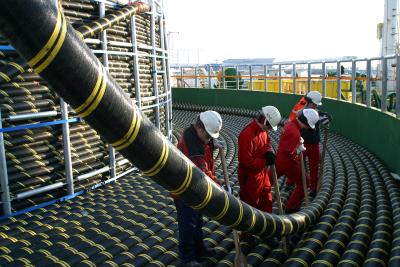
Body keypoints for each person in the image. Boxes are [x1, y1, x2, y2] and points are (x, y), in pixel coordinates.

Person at [174, 110, 222, 267]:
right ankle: (188, 258)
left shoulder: (196, 134)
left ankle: (200, 250)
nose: (209, 139)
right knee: (188, 224)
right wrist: (219, 187)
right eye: (208, 136)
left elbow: (205, 144)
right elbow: (202, 174)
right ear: (200, 129)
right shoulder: (192, 144)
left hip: (195, 189)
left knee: (197, 221)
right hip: (185, 191)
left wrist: (211, 144)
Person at [238, 106, 282, 214]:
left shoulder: (263, 131)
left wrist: (269, 151)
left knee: (267, 200)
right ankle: (247, 230)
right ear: (265, 121)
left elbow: (267, 143)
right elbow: (246, 161)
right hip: (250, 178)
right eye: (270, 127)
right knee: (250, 207)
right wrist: (264, 162)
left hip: (262, 173)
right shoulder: (247, 134)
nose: (270, 130)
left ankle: (266, 226)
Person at [275, 108, 319, 213]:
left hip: (280, 158)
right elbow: (288, 152)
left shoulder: (291, 125)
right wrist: (297, 150)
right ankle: (291, 208)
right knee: (305, 181)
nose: (308, 128)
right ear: (306, 122)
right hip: (287, 162)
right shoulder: (294, 132)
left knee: (268, 180)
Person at [288, 91, 331, 196]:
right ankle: (291, 183)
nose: (315, 106)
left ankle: (313, 188)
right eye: (314, 104)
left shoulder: (316, 112)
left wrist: (326, 118)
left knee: (314, 166)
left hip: (314, 144)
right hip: (302, 144)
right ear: (308, 102)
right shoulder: (300, 112)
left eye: (316, 104)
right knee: (296, 164)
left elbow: (324, 117)